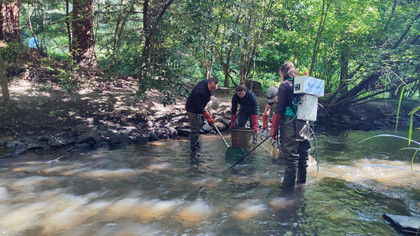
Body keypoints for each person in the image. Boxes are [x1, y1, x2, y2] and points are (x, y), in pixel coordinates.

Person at [270, 62, 311, 191]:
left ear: (283, 73)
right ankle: (301, 187)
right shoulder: (303, 84)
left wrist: (274, 129)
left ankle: (287, 193)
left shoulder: (285, 85)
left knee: (291, 159)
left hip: (290, 123)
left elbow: (280, 108)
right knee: (303, 156)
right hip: (305, 123)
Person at [186, 77, 219, 155]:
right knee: (195, 129)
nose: (213, 90)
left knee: (199, 125)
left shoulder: (207, 84)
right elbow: (199, 107)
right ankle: (193, 150)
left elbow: (201, 106)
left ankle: (196, 143)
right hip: (192, 109)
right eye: (212, 88)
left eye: (215, 88)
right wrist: (209, 118)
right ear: (208, 83)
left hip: (200, 106)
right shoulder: (201, 92)